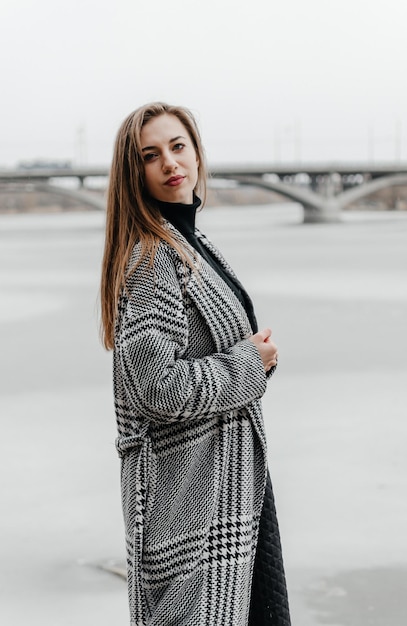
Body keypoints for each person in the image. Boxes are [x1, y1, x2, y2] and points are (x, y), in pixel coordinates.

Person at [100, 102, 291, 625]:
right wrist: (249, 365)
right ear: (133, 172)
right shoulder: (151, 260)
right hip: (193, 507)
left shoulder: (190, 241)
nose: (170, 163)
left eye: (178, 146)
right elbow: (158, 390)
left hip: (227, 489)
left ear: (197, 152)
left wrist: (250, 363)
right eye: (150, 155)